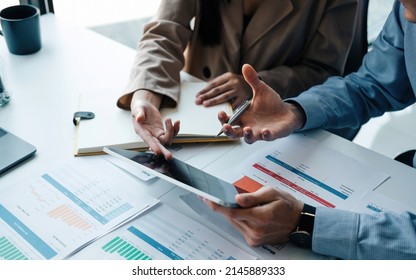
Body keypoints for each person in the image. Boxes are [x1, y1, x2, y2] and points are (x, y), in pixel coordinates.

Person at [205, 0, 416, 259]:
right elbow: (373, 83)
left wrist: (307, 224)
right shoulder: (407, 9)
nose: (405, 15)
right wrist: (294, 112)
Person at [117, 0, 358, 159]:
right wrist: (146, 94)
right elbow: (164, 30)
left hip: (274, 129)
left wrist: (258, 83)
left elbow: (324, 71)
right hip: (197, 111)